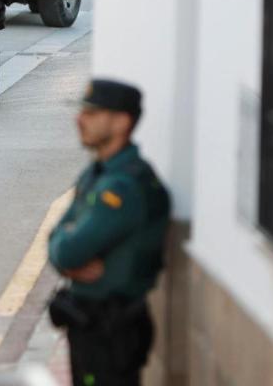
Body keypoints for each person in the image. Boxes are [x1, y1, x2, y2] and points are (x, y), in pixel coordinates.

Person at [47, 80, 171, 386]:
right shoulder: (99, 172)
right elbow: (56, 238)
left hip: (111, 329)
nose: (80, 119)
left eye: (93, 113)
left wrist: (65, 252)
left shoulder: (122, 186)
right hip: (92, 325)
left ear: (121, 122)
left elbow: (66, 250)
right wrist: (64, 250)